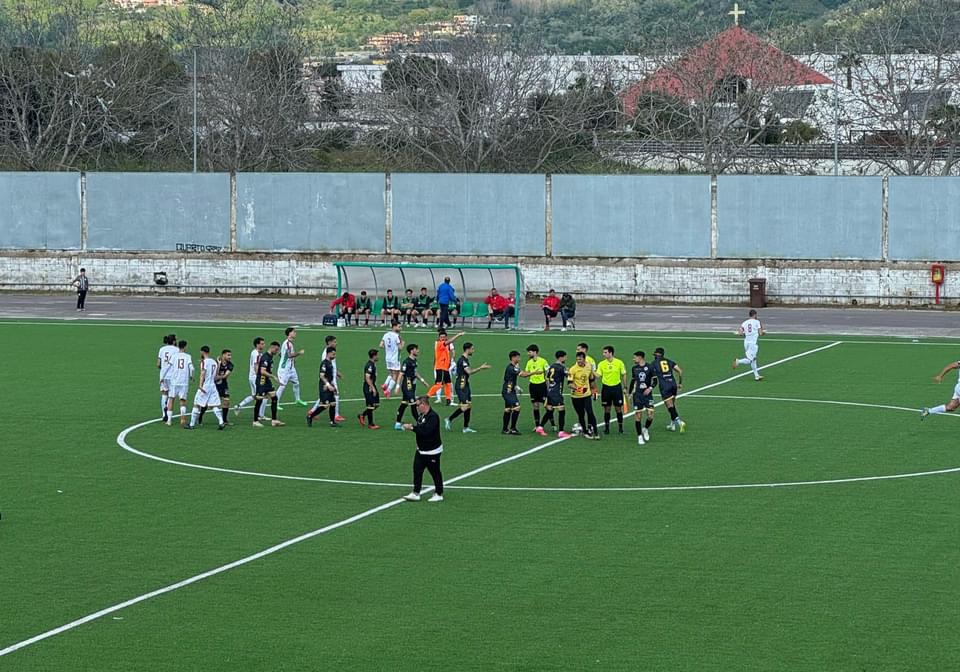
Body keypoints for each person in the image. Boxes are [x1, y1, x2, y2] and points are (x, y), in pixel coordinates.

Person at [402, 396, 445, 503]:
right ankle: (416, 492)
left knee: (435, 472)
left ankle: (439, 493)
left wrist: (412, 428)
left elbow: (426, 431)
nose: (417, 408)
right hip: (421, 450)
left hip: (432, 451)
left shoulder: (433, 417)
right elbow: (420, 428)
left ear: (423, 404)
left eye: (418, 405)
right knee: (417, 470)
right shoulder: (422, 416)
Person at [446, 341, 490, 433]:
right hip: (461, 385)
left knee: (468, 406)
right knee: (465, 406)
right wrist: (480, 368)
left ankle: (466, 428)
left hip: (465, 384)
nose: (473, 351)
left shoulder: (465, 359)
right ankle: (449, 419)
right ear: (468, 349)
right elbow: (469, 372)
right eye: (472, 349)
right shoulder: (462, 360)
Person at [186, 346, 226, 430]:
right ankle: (221, 422)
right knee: (214, 405)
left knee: (196, 404)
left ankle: (192, 424)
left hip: (205, 386)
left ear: (202, 352)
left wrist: (200, 385)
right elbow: (215, 375)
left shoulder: (204, 362)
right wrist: (218, 364)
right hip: (213, 386)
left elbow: (202, 374)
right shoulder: (214, 362)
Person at [394, 343, 429, 429]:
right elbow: (401, 374)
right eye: (416, 349)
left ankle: (397, 423)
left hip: (412, 385)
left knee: (404, 404)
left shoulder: (414, 361)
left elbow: (415, 372)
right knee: (413, 404)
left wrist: (422, 381)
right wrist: (397, 386)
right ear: (412, 350)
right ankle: (419, 423)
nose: (418, 351)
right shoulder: (406, 362)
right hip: (407, 385)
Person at [427, 329, 465, 405]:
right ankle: (427, 397)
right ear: (439, 338)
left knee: (448, 383)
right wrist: (458, 335)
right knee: (439, 384)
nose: (443, 338)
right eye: (441, 337)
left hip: (445, 368)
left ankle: (448, 400)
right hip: (440, 367)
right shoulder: (439, 344)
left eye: (444, 337)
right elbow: (448, 342)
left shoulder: (445, 345)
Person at [541, 350, 572, 438]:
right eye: (565, 357)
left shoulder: (551, 367)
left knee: (550, 410)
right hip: (556, 392)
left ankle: (540, 426)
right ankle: (561, 431)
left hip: (550, 391)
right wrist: (569, 371)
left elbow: (546, 379)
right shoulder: (561, 367)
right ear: (561, 357)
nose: (566, 358)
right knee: (562, 410)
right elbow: (569, 375)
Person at [652, 347, 685, 432]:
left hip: (664, 386)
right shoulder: (669, 361)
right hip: (673, 385)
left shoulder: (654, 363)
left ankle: (679, 421)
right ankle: (672, 425)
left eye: (655, 354)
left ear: (657, 354)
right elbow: (680, 371)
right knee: (672, 405)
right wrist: (680, 383)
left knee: (669, 406)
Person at [597, 345, 628, 435]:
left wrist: (625, 387)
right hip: (606, 388)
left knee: (618, 409)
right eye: (603, 352)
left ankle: (620, 427)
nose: (603, 354)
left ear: (611, 353)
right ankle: (607, 428)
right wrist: (590, 370)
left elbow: (624, 374)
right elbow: (598, 375)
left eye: (605, 352)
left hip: (616, 388)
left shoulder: (619, 362)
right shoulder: (601, 364)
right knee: (607, 409)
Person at [253, 341, 284, 428]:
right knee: (259, 400)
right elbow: (262, 371)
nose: (277, 352)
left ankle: (274, 420)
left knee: (274, 397)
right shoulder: (265, 357)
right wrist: (273, 376)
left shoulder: (270, 357)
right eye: (276, 350)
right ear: (272, 347)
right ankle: (255, 421)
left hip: (267, 381)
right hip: (262, 381)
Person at [629, 351, 658, 445]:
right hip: (637, 395)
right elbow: (633, 382)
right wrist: (630, 394)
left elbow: (655, 381)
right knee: (638, 416)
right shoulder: (634, 368)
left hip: (647, 395)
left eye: (635, 357)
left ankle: (645, 429)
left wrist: (650, 388)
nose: (633, 359)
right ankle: (639, 437)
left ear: (640, 357)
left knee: (650, 415)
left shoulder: (650, 367)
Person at [568, 350, 598, 439]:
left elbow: (591, 379)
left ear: (584, 359)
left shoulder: (589, 366)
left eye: (580, 359)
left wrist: (594, 390)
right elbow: (569, 384)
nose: (578, 361)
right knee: (581, 414)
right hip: (576, 396)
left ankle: (596, 432)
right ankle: (585, 431)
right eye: (577, 359)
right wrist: (578, 389)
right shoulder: (573, 369)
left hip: (587, 395)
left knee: (590, 412)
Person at [307, 348, 339, 427]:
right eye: (333, 354)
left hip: (330, 386)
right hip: (324, 386)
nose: (334, 356)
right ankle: (310, 416)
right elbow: (321, 376)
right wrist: (328, 385)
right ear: (328, 354)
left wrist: (333, 386)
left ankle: (332, 422)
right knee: (324, 405)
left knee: (333, 404)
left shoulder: (330, 363)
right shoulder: (324, 363)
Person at [277, 327, 307, 407]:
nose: (295, 333)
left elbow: (280, 354)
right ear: (289, 333)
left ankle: (297, 399)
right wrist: (299, 353)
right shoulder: (287, 343)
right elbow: (289, 355)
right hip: (284, 369)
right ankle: (275, 403)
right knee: (282, 386)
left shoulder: (289, 343)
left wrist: (291, 360)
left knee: (296, 383)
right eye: (294, 332)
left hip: (291, 368)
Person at [166, 340, 193, 427]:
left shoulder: (174, 356)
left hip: (174, 381)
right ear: (185, 347)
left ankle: (169, 420)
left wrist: (163, 377)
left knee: (171, 399)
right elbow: (191, 368)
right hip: (184, 382)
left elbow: (168, 367)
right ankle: (182, 419)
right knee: (182, 401)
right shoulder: (188, 356)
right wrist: (191, 376)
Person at [523, 344, 550, 435]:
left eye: (529, 352)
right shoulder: (529, 362)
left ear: (535, 352)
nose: (528, 353)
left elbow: (548, 372)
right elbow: (526, 373)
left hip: (542, 386)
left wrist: (548, 385)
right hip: (533, 386)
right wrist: (534, 373)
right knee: (535, 406)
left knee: (547, 406)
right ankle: (537, 425)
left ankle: (552, 423)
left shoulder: (543, 361)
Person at [733, 309, 765, 381]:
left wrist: (743, 333)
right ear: (755, 315)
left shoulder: (744, 323)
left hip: (746, 343)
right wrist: (764, 332)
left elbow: (741, 333)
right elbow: (760, 333)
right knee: (750, 360)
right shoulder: (757, 322)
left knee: (754, 359)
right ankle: (738, 361)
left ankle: (756, 376)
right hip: (753, 344)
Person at [235, 337, 264, 414]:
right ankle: (260, 415)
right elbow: (256, 366)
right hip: (255, 377)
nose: (264, 345)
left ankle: (239, 406)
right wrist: (260, 377)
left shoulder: (255, 352)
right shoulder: (256, 354)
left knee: (254, 395)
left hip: (252, 376)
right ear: (257, 344)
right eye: (262, 344)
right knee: (261, 395)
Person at [321, 335, 346, 421]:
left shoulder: (331, 351)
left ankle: (312, 411)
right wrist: (328, 381)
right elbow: (325, 367)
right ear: (329, 342)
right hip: (330, 378)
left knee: (326, 396)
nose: (336, 343)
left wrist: (337, 372)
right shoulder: (326, 353)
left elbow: (332, 365)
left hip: (332, 376)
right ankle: (336, 415)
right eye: (334, 342)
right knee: (336, 395)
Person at [157, 333, 179, 422]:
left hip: (163, 375)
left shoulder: (162, 349)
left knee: (164, 394)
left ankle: (163, 414)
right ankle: (169, 414)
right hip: (173, 375)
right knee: (171, 395)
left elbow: (158, 364)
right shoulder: (177, 350)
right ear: (174, 341)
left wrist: (163, 368)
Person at [380, 321, 404, 399]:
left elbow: (381, 345)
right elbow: (400, 348)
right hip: (395, 358)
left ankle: (385, 384)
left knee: (390, 373)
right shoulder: (396, 336)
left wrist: (388, 348)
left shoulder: (386, 334)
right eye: (399, 326)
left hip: (387, 357)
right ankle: (388, 390)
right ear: (394, 327)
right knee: (395, 375)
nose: (400, 328)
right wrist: (403, 343)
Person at [501, 351, 523, 435]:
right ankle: (513, 428)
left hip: (510, 390)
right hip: (508, 391)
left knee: (508, 409)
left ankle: (505, 429)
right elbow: (523, 375)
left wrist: (516, 386)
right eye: (518, 357)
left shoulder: (513, 367)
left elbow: (511, 379)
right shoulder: (511, 368)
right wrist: (534, 373)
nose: (519, 359)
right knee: (517, 407)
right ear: (513, 358)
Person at [358, 349, 381, 429]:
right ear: (374, 356)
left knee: (376, 404)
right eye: (377, 355)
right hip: (368, 387)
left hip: (372, 385)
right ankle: (371, 424)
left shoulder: (372, 364)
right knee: (370, 406)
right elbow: (367, 378)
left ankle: (362, 415)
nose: (378, 357)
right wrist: (372, 388)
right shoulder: (370, 365)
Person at [215, 349, 234, 421]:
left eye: (230, 355)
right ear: (223, 355)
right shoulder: (216, 362)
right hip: (213, 386)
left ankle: (224, 420)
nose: (230, 357)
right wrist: (219, 364)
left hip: (223, 385)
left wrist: (217, 377)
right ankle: (200, 417)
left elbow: (225, 376)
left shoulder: (230, 365)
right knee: (208, 403)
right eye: (228, 355)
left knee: (226, 401)